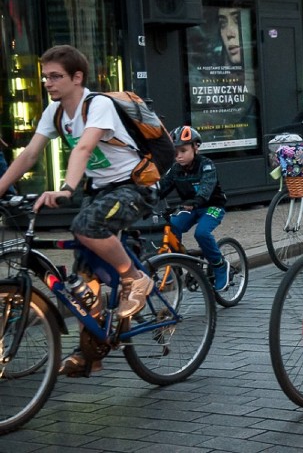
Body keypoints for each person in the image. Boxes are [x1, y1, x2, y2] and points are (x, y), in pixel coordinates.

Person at [0, 45, 155, 376]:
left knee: (85, 226)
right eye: (45, 77)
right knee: (82, 285)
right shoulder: (54, 113)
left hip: (134, 186)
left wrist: (67, 188)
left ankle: (134, 278)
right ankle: (90, 354)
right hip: (100, 191)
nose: (48, 83)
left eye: (55, 77)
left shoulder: (97, 105)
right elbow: (29, 155)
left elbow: (85, 147)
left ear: (77, 77)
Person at [157, 126, 229, 291]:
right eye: (175, 152)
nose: (179, 156)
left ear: (195, 147)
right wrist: (145, 197)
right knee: (172, 225)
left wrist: (197, 200)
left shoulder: (206, 165)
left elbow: (206, 187)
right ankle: (176, 265)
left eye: (183, 150)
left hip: (212, 206)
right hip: (190, 208)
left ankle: (219, 265)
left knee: (202, 233)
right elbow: (162, 188)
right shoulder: (175, 170)